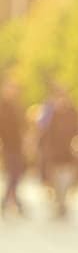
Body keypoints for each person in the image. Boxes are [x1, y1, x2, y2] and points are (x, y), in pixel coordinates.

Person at [36, 87, 78, 220]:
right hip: (54, 153)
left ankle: (62, 201)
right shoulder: (51, 114)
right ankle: (59, 202)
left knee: (66, 179)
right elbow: (44, 132)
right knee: (55, 180)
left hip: (68, 152)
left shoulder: (73, 113)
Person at [0, 80, 26, 219]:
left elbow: (21, 127)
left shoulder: (16, 107)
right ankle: (10, 202)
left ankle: (10, 202)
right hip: (8, 146)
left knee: (16, 175)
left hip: (17, 146)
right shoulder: (3, 107)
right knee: (13, 175)